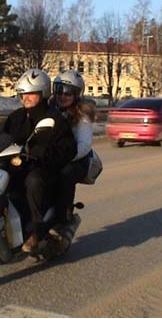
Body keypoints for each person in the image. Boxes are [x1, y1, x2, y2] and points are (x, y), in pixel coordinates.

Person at [1, 68, 77, 252]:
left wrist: (42, 152)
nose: (25, 98)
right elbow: (2, 136)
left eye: (30, 94)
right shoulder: (16, 117)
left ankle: (36, 228)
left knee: (33, 181)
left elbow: (67, 149)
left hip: (43, 168)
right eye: (22, 94)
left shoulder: (54, 119)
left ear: (42, 93)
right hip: (17, 164)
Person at [50, 69, 95, 229]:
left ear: (76, 95)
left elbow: (84, 145)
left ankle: (63, 218)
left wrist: (65, 157)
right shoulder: (49, 108)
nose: (63, 95)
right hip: (54, 154)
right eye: (59, 90)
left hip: (76, 158)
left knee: (65, 174)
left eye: (68, 92)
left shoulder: (81, 115)